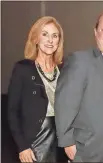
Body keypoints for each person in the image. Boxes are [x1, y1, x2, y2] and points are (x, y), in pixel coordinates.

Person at [54, 10, 103, 162]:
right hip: (87, 151)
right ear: (95, 32)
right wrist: (67, 142)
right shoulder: (80, 61)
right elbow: (65, 103)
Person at [7, 16, 66, 162]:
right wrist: (22, 147)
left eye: (55, 35)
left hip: (60, 141)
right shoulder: (23, 69)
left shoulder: (64, 70)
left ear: (59, 41)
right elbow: (12, 112)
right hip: (34, 141)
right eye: (44, 34)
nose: (50, 40)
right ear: (36, 38)